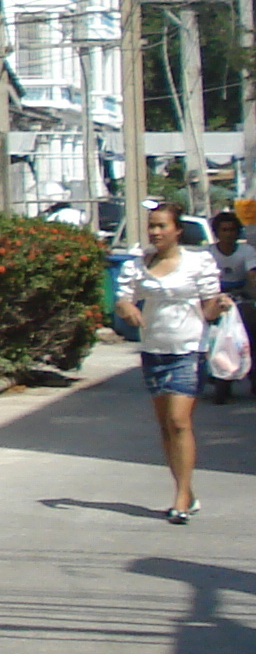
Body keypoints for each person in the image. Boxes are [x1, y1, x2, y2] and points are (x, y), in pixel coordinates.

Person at [114, 201, 229, 523]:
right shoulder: (137, 264)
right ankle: (186, 490)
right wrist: (128, 309)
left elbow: (207, 309)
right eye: (152, 226)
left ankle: (180, 499)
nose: (155, 232)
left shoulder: (198, 263)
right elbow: (123, 299)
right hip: (153, 350)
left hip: (188, 349)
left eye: (162, 226)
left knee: (180, 421)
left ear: (177, 230)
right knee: (166, 425)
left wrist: (219, 305)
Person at [209, 212, 253, 403]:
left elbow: (252, 276)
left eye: (232, 230)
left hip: (241, 297)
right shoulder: (207, 253)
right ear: (217, 233)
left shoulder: (247, 252)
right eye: (223, 230)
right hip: (215, 298)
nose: (228, 234)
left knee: (251, 333)